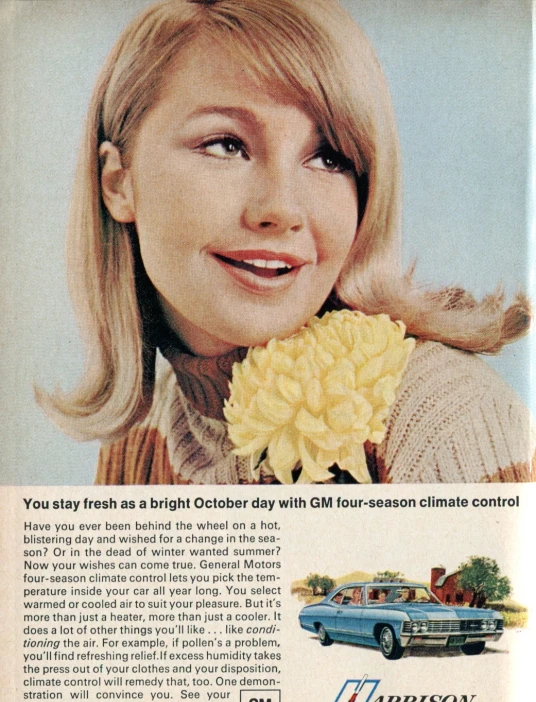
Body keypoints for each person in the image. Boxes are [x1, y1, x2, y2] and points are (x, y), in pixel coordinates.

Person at [37, 0, 535, 485]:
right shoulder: (145, 432)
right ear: (118, 184)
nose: (280, 209)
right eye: (226, 145)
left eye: (329, 157)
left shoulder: (449, 421)